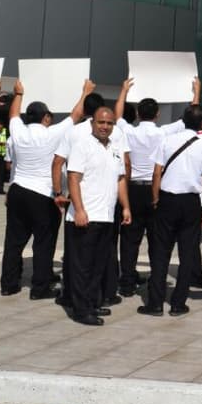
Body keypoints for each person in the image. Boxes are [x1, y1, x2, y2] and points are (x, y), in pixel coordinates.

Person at [0, 79, 90, 299]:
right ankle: (40, 287)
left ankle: (9, 284)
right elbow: (76, 115)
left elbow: (13, 115)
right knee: (43, 242)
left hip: (18, 190)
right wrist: (85, 92)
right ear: (46, 117)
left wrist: (18, 94)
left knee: (13, 241)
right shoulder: (53, 133)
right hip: (42, 194)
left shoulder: (18, 131)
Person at [113, 78, 200, 297]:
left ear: (139, 114)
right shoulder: (163, 133)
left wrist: (123, 90)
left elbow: (117, 115)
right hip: (155, 188)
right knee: (156, 238)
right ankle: (155, 277)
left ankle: (127, 280)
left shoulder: (128, 131)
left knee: (130, 237)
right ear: (157, 114)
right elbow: (190, 117)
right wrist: (196, 92)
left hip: (132, 189)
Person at [139, 104, 202, 317]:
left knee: (161, 253)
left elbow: (156, 173)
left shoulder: (166, 140)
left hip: (167, 200)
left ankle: (155, 303)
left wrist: (156, 199)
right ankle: (178, 303)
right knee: (187, 253)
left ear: (182, 119)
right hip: (191, 202)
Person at [65, 106, 132, 326]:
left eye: (109, 123)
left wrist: (125, 207)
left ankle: (92, 302)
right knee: (82, 266)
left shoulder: (115, 147)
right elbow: (73, 178)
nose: (105, 127)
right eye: (101, 122)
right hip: (86, 216)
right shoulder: (82, 145)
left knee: (98, 264)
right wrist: (79, 209)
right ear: (92, 123)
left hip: (106, 216)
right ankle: (81, 309)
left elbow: (120, 179)